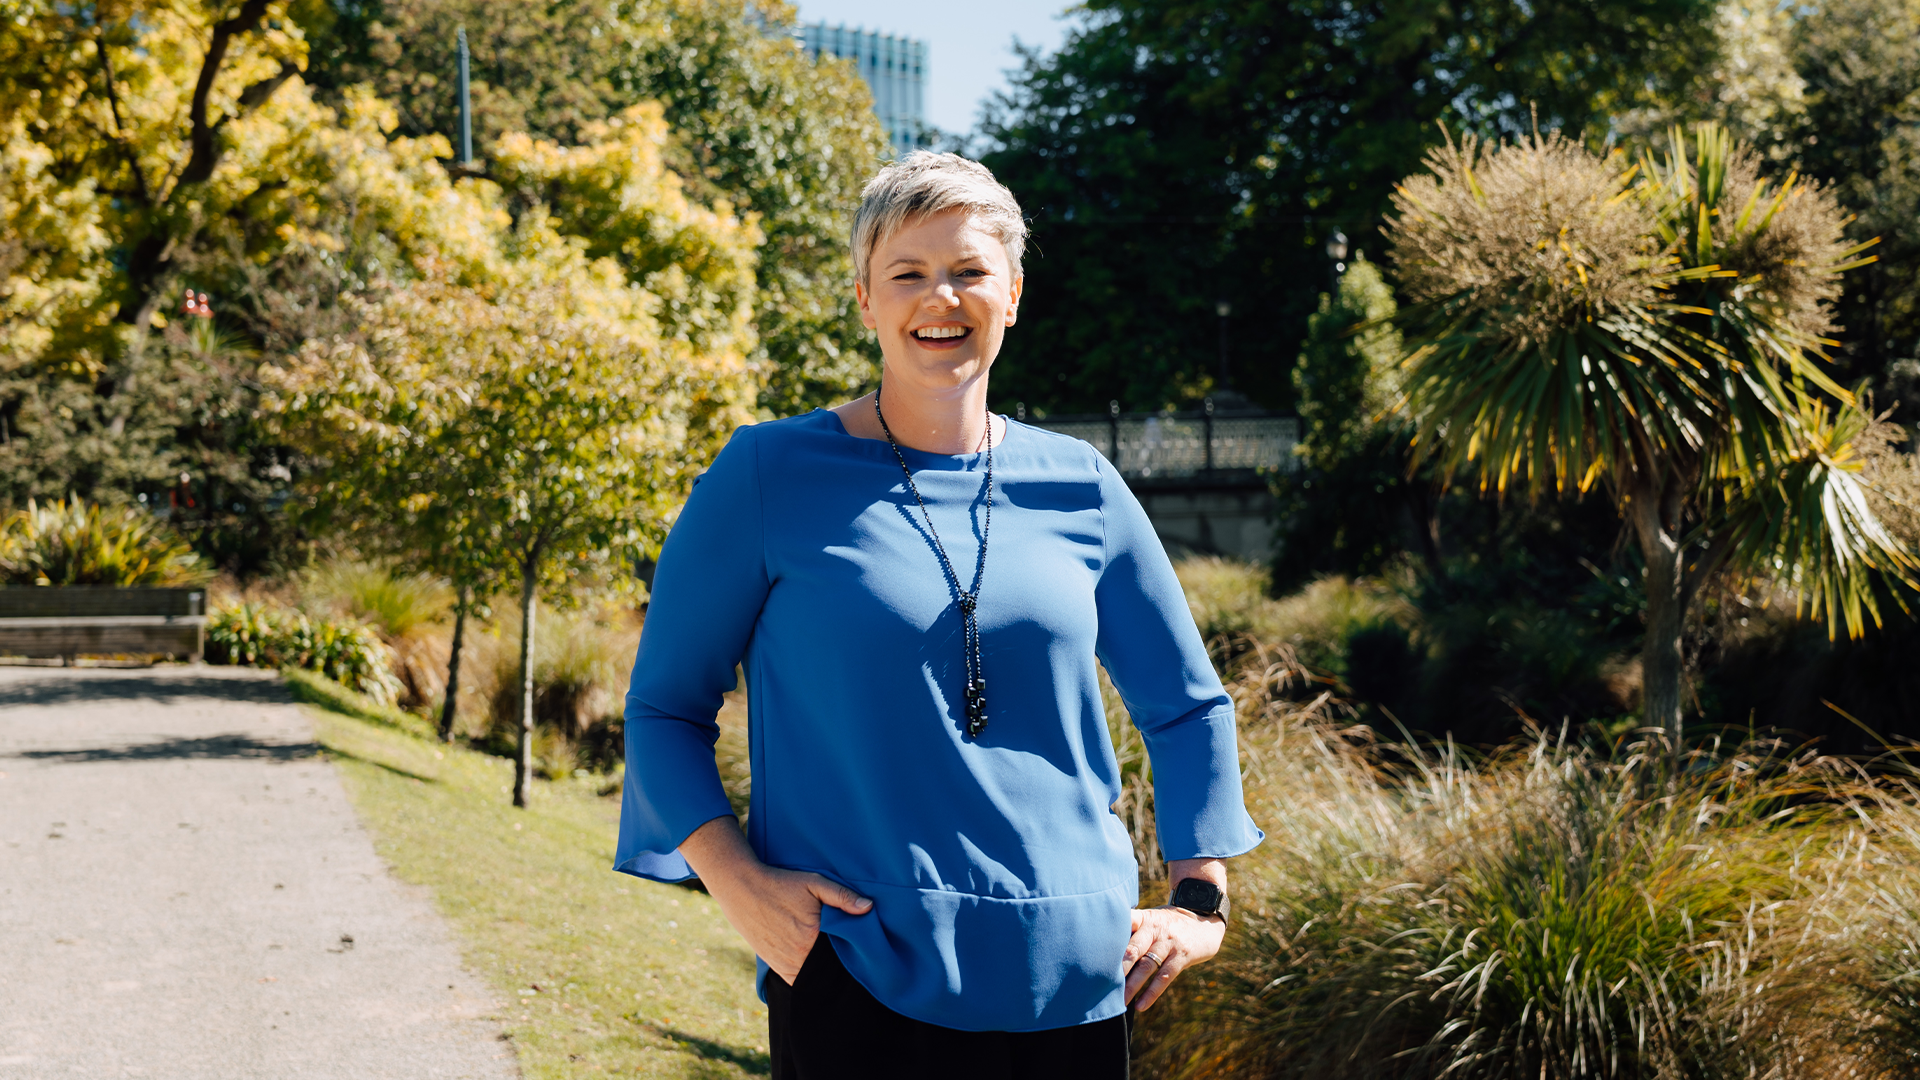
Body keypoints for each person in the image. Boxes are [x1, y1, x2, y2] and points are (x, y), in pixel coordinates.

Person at [615, 151, 1263, 1078]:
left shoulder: (1082, 485)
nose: (940, 299)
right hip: (855, 971)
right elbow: (665, 710)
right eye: (908, 274)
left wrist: (1199, 900)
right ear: (865, 300)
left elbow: (1188, 703)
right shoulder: (767, 476)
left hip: (1079, 981)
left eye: (968, 271)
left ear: (1013, 293)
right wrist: (740, 885)